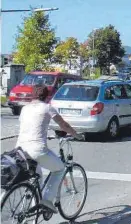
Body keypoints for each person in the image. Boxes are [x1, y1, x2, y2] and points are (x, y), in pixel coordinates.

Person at [15, 85, 83, 214]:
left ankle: (34, 206)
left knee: (37, 175)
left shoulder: (24, 108)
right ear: (47, 96)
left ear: (33, 95)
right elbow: (63, 125)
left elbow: (33, 125)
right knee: (60, 169)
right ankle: (46, 201)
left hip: (20, 150)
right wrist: (76, 135)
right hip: (37, 149)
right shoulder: (47, 108)